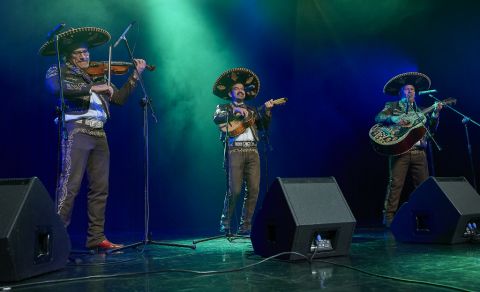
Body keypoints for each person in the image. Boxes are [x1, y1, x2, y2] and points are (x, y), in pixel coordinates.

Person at [39, 26, 146, 249]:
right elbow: (58, 88)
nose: (84, 56)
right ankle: (55, 241)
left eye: (86, 53)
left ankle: (96, 238)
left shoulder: (96, 75)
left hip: (99, 134)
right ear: (70, 56)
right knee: (70, 186)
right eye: (79, 53)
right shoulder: (59, 70)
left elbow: (118, 99)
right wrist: (93, 87)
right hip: (76, 130)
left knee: (100, 188)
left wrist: (134, 76)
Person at [212, 67, 275, 236]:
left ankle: (245, 226)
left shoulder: (253, 110)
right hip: (235, 151)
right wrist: (234, 111)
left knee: (254, 190)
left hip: (253, 151)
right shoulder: (223, 107)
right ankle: (225, 223)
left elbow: (263, 127)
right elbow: (217, 118)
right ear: (230, 93)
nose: (240, 91)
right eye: (236, 89)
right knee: (235, 190)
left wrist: (267, 111)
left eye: (242, 89)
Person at [375, 72, 442, 227]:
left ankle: (424, 218)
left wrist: (436, 115)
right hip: (400, 151)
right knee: (395, 185)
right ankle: (389, 219)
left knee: (423, 187)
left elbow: (431, 131)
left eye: (412, 89)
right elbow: (378, 118)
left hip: (419, 152)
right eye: (406, 89)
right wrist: (394, 118)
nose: (410, 91)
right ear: (401, 92)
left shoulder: (422, 110)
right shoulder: (391, 106)